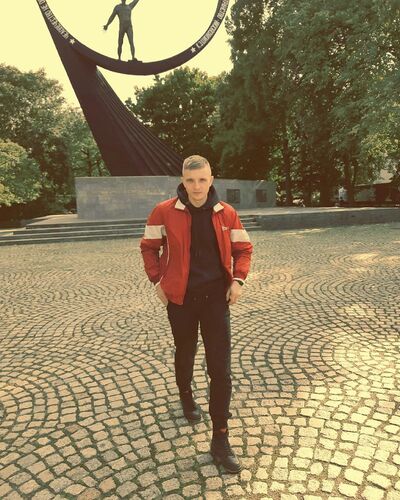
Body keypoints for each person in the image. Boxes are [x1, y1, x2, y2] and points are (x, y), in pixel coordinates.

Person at [140, 155, 253, 474]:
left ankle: (220, 439)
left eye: (202, 180)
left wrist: (238, 280)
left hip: (216, 299)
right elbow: (148, 247)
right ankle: (186, 395)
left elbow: (244, 249)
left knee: (221, 369)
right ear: (183, 181)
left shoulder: (226, 213)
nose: (197, 186)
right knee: (185, 350)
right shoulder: (164, 211)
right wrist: (157, 280)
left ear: (211, 179)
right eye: (190, 181)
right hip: (181, 299)